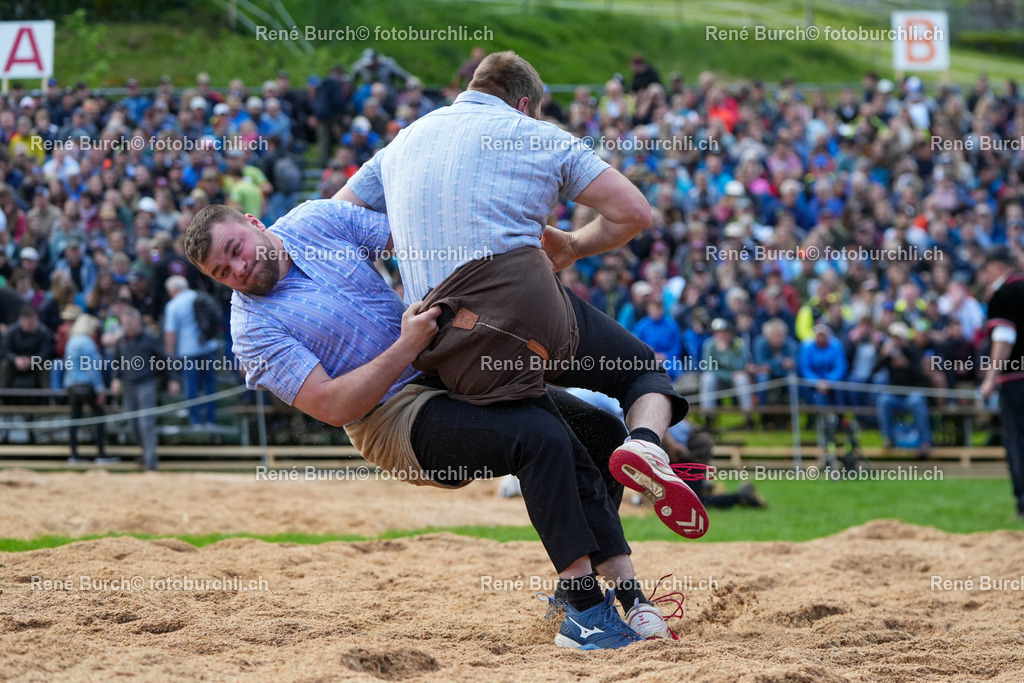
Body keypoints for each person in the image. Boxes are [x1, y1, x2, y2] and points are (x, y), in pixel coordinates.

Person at [185, 201, 689, 648]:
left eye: (235, 248)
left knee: (599, 434)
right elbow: (332, 406)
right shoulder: (251, 328)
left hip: (447, 368)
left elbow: (409, 234)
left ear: (253, 223)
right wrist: (406, 346)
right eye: (221, 271)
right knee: (539, 438)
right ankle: (584, 613)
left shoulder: (314, 220)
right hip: (390, 420)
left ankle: (576, 590)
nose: (238, 268)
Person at [336, 51, 700, 539]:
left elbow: (335, 219)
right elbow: (633, 212)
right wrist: (572, 245)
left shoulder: (402, 143)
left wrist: (412, 232)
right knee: (641, 371)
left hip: (440, 338)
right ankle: (647, 443)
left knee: (590, 435)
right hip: (525, 310)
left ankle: (599, 584)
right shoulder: (538, 135)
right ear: (524, 104)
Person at [979, 246, 1024, 520]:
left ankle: (1023, 502)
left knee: (1017, 441)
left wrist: (990, 379)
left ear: (996, 266)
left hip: (1016, 380)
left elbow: (1004, 338)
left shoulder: (1004, 293)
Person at [112, 307, 177, 470]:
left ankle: (151, 461)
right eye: (123, 324)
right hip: (129, 385)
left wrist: (173, 379)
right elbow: (117, 363)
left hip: (147, 383)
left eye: (128, 323)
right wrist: (115, 379)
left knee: (146, 423)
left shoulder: (150, 339)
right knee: (132, 423)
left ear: (136, 321)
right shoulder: (121, 341)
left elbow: (166, 359)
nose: (125, 326)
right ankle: (145, 453)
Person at [163, 275, 218, 429]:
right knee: (209, 385)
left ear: (173, 290)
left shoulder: (173, 305)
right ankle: (211, 419)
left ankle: (195, 421)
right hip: (208, 346)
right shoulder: (200, 297)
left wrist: (169, 354)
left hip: (188, 351)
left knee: (191, 386)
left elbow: (170, 333)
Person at [872, 321, 932, 458]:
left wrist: (906, 364)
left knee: (917, 401)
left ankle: (925, 441)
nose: (895, 341)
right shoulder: (888, 353)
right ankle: (888, 438)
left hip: (912, 393)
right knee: (883, 400)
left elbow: (921, 375)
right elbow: (873, 371)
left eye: (898, 337)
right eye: (893, 337)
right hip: (895, 395)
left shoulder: (913, 350)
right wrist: (882, 356)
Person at [63, 314, 112, 464]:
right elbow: (94, 369)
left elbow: (68, 366)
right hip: (87, 385)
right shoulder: (88, 343)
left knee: (74, 419)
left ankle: (74, 454)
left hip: (72, 385)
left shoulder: (70, 342)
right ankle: (101, 453)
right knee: (99, 417)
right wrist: (100, 389)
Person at [1, 305, 52, 390]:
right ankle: (2, 395)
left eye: (34, 321)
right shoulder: (10, 332)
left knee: (45, 365)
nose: (32, 324)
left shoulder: (44, 332)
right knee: (4, 364)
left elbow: (46, 352)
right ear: (21, 320)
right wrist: (15, 359)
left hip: (35, 361)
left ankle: (47, 398)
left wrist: (32, 360)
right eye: (29, 322)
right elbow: (6, 350)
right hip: (15, 362)